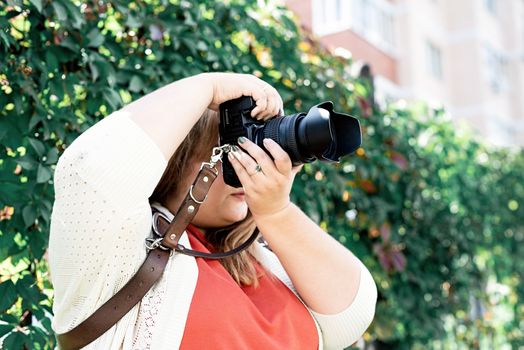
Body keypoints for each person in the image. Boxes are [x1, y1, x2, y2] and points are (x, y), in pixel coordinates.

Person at [48, 72, 377, 349]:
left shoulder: (264, 260)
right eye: (228, 148)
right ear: (174, 159)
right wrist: (211, 87)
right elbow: (89, 172)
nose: (246, 160)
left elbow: (351, 313)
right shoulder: (119, 253)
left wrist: (276, 212)